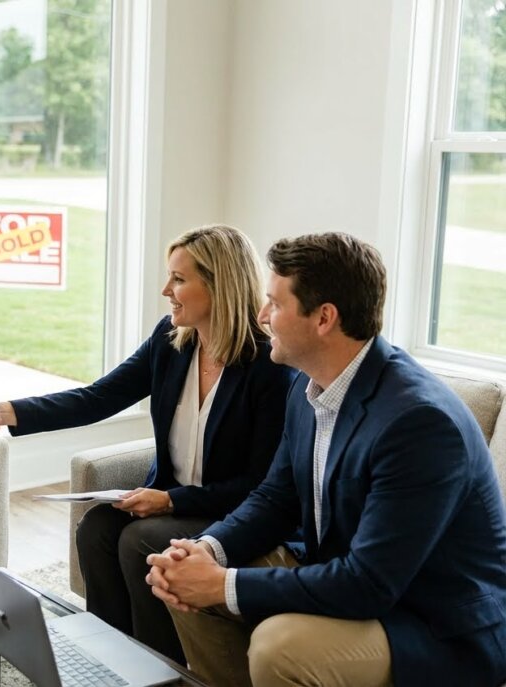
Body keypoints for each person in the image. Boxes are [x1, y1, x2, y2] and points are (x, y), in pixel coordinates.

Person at [147, 232, 506, 687]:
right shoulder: (306, 384)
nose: (261, 316)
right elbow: (276, 497)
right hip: (345, 576)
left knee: (280, 646)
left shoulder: (418, 424)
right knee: (182, 576)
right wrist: (206, 550)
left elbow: (369, 584)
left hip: (430, 624)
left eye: (274, 304)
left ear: (324, 318)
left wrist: (222, 584)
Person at [0, 224, 295, 662]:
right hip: (174, 502)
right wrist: (5, 411)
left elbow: (260, 484)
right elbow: (99, 397)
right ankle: (110, 659)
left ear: (220, 284)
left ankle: (162, 667)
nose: (166, 289)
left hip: (229, 512)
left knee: (140, 540)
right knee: (98, 527)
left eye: (179, 279)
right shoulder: (171, 341)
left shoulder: (268, 367)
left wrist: (169, 502)